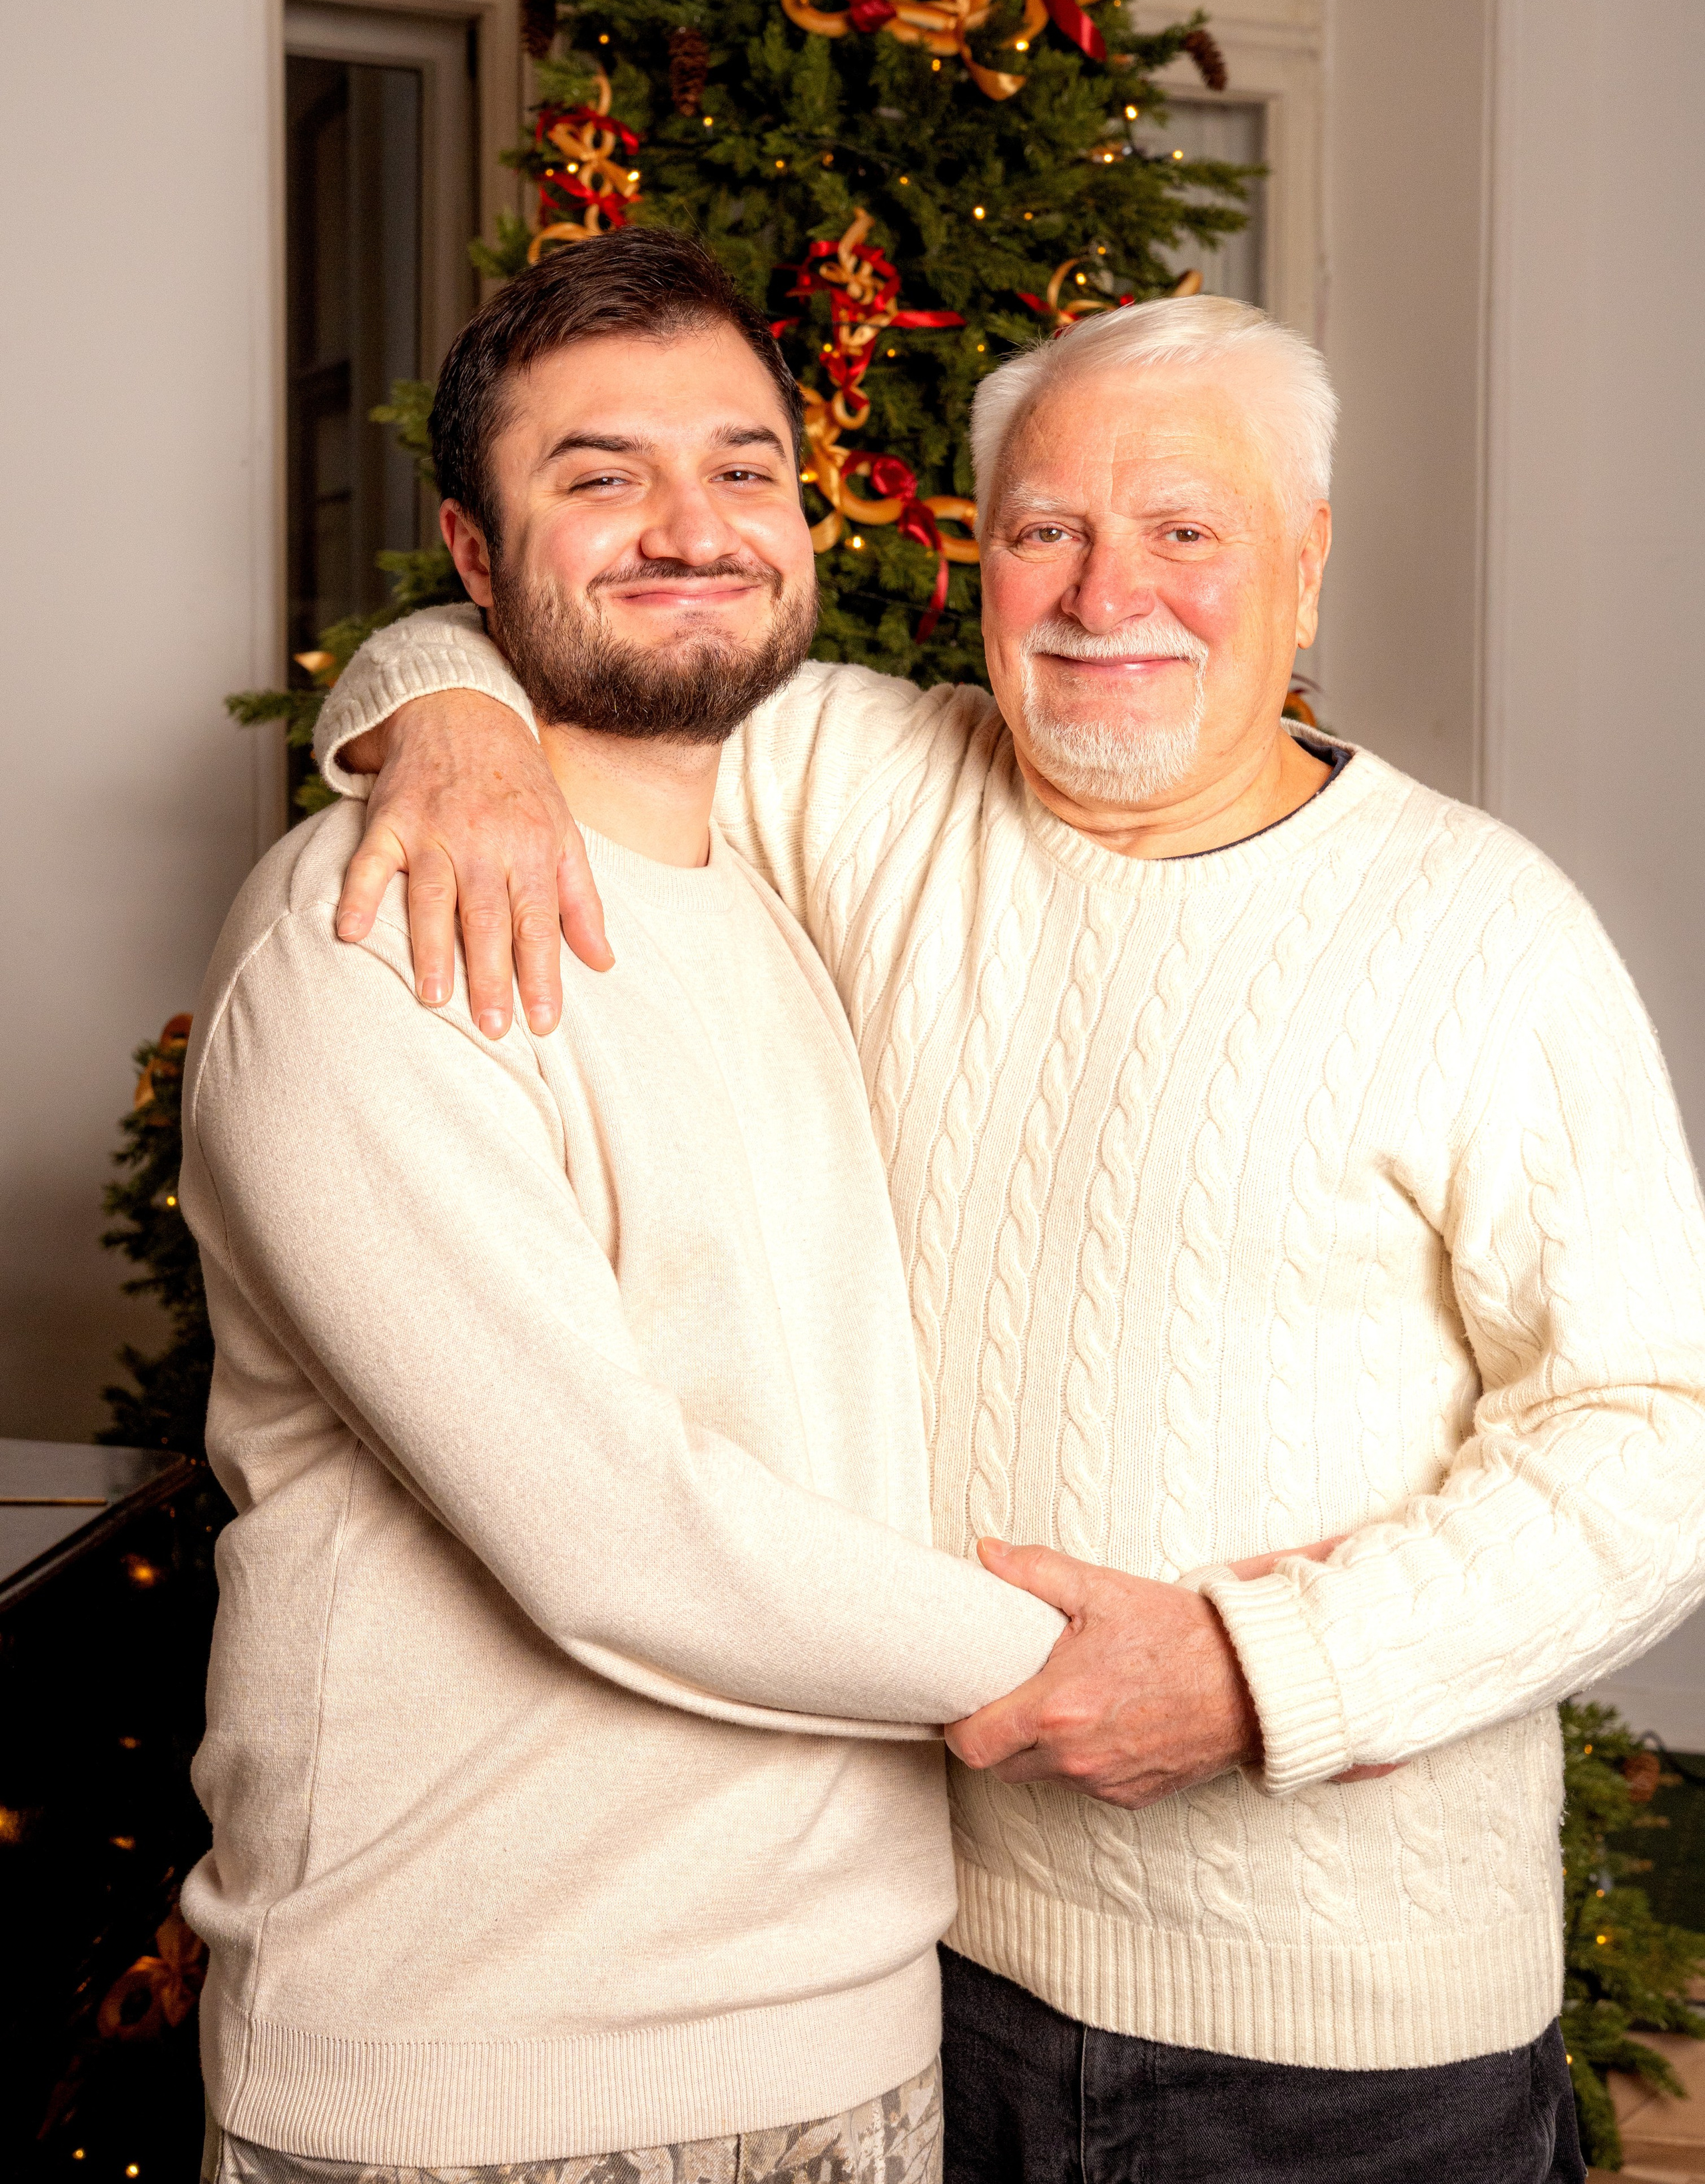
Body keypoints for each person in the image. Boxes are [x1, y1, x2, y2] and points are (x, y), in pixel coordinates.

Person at [321, 280, 1705, 2184]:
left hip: (1347, 2053)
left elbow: (1661, 1436)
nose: (1103, 591)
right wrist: (451, 720)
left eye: (1186, 532)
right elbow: (599, 623)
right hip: (926, 1966)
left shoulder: (1486, 933)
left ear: (1304, 567)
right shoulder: (857, 778)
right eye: (1045, 528)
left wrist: (1255, 1670)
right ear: (979, 558)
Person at [179, 231, 1092, 2184]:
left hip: (851, 2035)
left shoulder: (781, 882)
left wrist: (431, 689)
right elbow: (616, 1532)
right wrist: (1097, 1667)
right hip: (483, 2081)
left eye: (743, 467)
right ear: (475, 549)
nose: (695, 525)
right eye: (598, 475)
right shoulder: (374, 932)